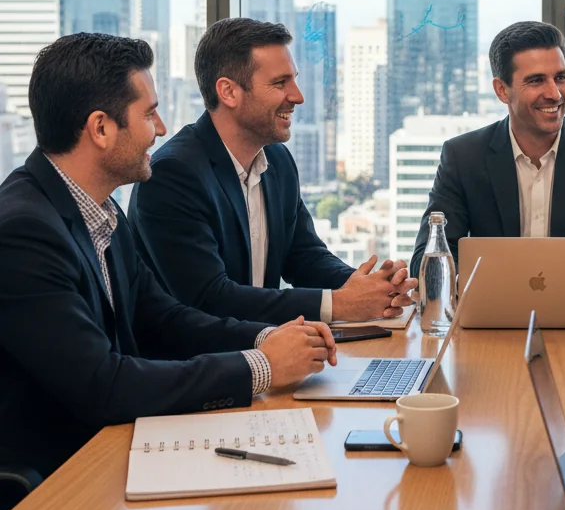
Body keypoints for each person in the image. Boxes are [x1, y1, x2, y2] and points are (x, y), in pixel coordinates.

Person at [0, 34, 337, 483]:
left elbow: (165, 319)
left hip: (110, 453)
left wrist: (271, 338)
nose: (160, 128)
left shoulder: (100, 210)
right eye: (148, 113)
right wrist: (261, 368)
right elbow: (103, 384)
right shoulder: (25, 231)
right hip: (57, 482)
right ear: (100, 128)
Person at [129, 18, 415, 325]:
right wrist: (340, 304)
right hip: (195, 366)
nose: (298, 96)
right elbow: (210, 299)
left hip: (266, 354)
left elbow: (305, 258)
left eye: (293, 80)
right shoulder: (173, 175)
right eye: (280, 83)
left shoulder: (277, 161)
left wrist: (372, 287)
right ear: (228, 92)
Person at [409, 21, 565, 293]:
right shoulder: (463, 157)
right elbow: (427, 257)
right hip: (490, 316)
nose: (555, 93)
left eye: (560, 77)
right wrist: (470, 289)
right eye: (537, 80)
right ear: (502, 90)